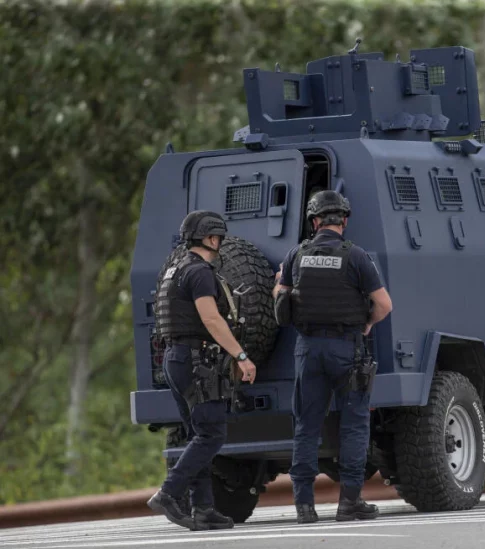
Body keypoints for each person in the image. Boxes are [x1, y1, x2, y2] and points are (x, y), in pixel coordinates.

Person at [273, 190, 392, 524]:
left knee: (306, 426)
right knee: (354, 425)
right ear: (344, 220)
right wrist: (367, 323)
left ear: (314, 221)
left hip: (307, 349)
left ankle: (305, 507)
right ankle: (349, 503)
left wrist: (281, 281)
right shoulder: (356, 256)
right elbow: (384, 305)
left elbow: (280, 303)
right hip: (346, 348)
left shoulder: (296, 254)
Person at [147, 210, 257, 530]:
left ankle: (204, 507)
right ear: (210, 238)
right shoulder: (200, 272)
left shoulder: (173, 270)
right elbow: (210, 319)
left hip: (175, 358)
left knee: (198, 434)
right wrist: (240, 356)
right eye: (218, 238)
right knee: (211, 433)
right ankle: (168, 492)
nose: (220, 244)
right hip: (197, 359)